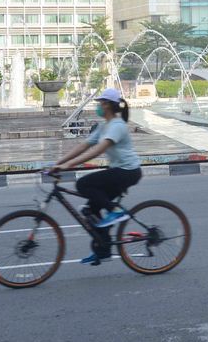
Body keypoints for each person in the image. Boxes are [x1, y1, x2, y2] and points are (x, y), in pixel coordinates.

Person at [51, 87, 141, 265]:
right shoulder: (103, 126)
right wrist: (58, 163)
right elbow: (84, 146)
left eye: (100, 103)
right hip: (118, 171)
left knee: (83, 184)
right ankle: (103, 250)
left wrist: (68, 165)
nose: (98, 106)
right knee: (90, 211)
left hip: (128, 172)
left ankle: (115, 211)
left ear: (107, 105)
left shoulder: (117, 126)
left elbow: (98, 150)